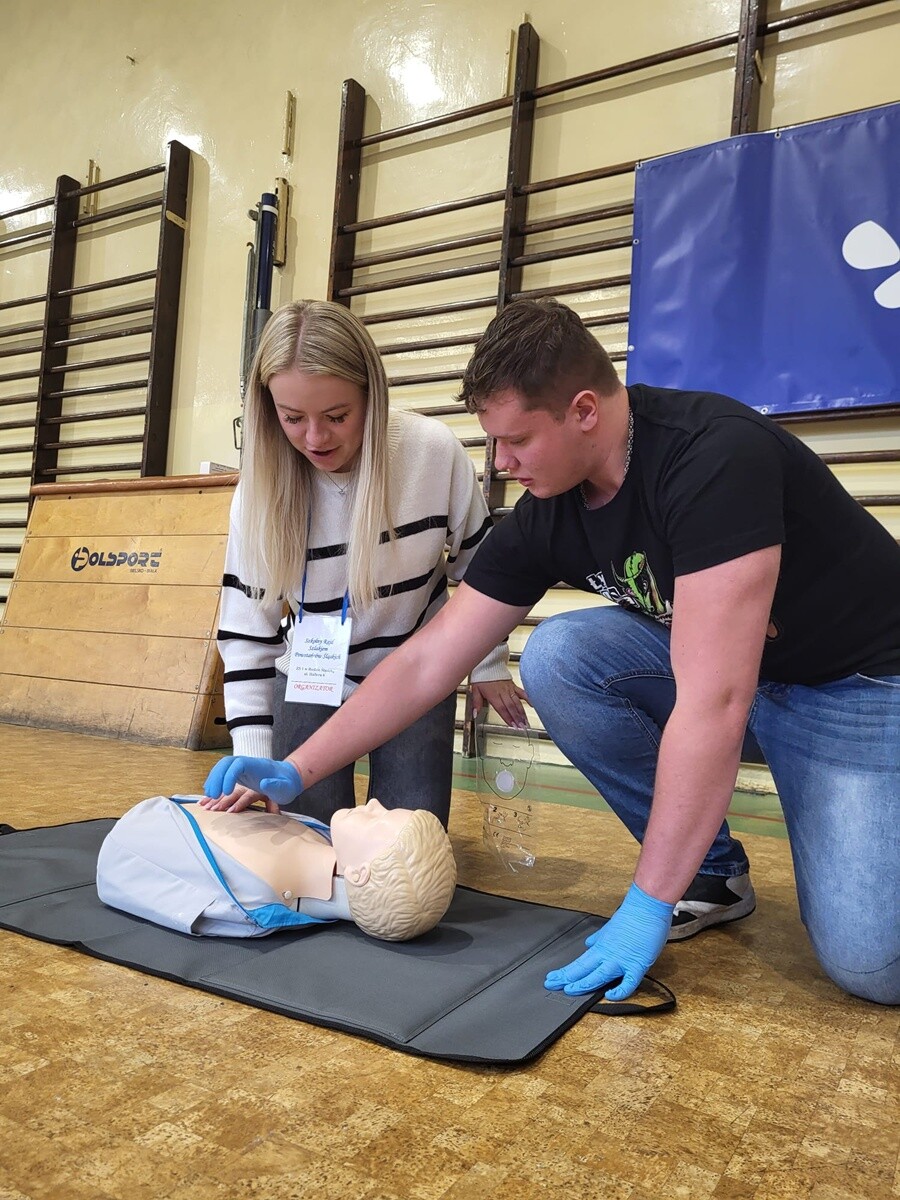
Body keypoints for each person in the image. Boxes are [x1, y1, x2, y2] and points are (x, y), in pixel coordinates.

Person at [203, 298, 900, 1007]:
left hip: (854, 683)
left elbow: (714, 703)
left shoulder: (714, 458)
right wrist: (295, 768)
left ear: (585, 411)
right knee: (561, 654)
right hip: (745, 678)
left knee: (872, 966)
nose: (500, 464)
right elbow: (426, 658)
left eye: (517, 441)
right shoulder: (553, 504)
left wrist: (646, 903)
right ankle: (713, 876)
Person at [211, 299, 525, 829]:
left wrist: (488, 662)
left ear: (371, 397)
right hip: (310, 675)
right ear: (269, 411)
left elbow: (479, 565)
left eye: (337, 416)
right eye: (292, 419)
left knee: (409, 842)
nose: (315, 439)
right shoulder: (258, 493)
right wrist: (254, 754)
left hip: (415, 674)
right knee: (301, 838)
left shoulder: (433, 452)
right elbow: (246, 631)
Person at [97, 796, 457, 942]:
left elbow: (126, 854)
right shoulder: (322, 843)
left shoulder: (256, 887)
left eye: (379, 820)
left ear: (360, 874)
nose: (375, 802)